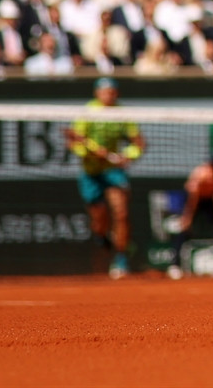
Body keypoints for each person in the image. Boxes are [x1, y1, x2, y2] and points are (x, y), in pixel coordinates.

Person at [65, 76, 145, 277]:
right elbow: (73, 142)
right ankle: (103, 238)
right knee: (99, 221)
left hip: (113, 171)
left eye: (111, 91)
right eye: (104, 91)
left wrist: (127, 156)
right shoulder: (87, 112)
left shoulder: (122, 114)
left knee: (121, 213)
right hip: (91, 171)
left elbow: (139, 144)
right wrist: (91, 153)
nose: (108, 95)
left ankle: (121, 259)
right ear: (97, 93)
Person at [167, 153, 213, 279]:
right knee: (184, 230)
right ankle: (175, 266)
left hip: (209, 201)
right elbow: (193, 199)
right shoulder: (201, 174)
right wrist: (188, 218)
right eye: (212, 164)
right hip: (193, 201)